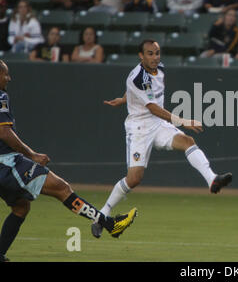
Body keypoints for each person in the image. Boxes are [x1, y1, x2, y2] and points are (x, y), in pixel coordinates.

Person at [90, 39, 232, 238]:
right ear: (141, 56)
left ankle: (212, 180)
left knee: (188, 142)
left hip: (158, 125)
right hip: (139, 128)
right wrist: (182, 120)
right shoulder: (137, 77)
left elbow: (141, 96)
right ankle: (101, 215)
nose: (155, 57)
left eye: (157, 53)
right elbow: (153, 107)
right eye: (150, 53)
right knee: (134, 179)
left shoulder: (159, 68)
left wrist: (123, 99)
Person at [0, 60, 137, 262]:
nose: (9, 78)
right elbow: (3, 130)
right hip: (7, 163)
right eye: (5, 74)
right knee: (61, 188)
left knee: (21, 207)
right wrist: (32, 154)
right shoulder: (1, 96)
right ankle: (110, 225)